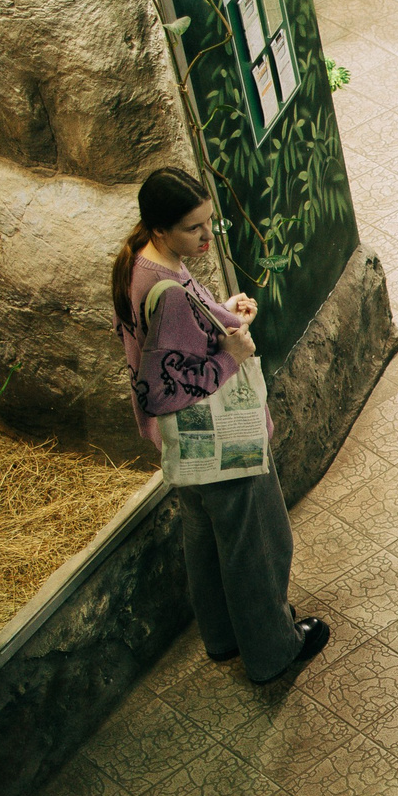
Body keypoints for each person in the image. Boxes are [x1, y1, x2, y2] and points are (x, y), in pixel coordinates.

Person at [113, 167, 328, 683]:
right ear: (161, 229)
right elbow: (163, 387)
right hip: (220, 440)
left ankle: (224, 639)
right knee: (254, 545)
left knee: (207, 539)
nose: (208, 237)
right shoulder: (166, 288)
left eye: (211, 223)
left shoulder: (139, 263)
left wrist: (220, 314)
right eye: (194, 228)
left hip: (189, 452)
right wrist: (230, 353)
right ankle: (274, 651)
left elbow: (169, 345)